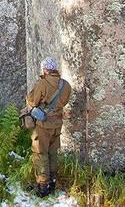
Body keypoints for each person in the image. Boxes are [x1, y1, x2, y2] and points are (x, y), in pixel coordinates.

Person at [26, 56, 71, 197]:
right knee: (53, 152)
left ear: (45, 69)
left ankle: (43, 185)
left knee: (40, 152)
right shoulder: (66, 85)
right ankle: (53, 181)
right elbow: (64, 102)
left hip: (43, 124)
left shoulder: (42, 83)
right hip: (57, 124)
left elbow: (32, 101)